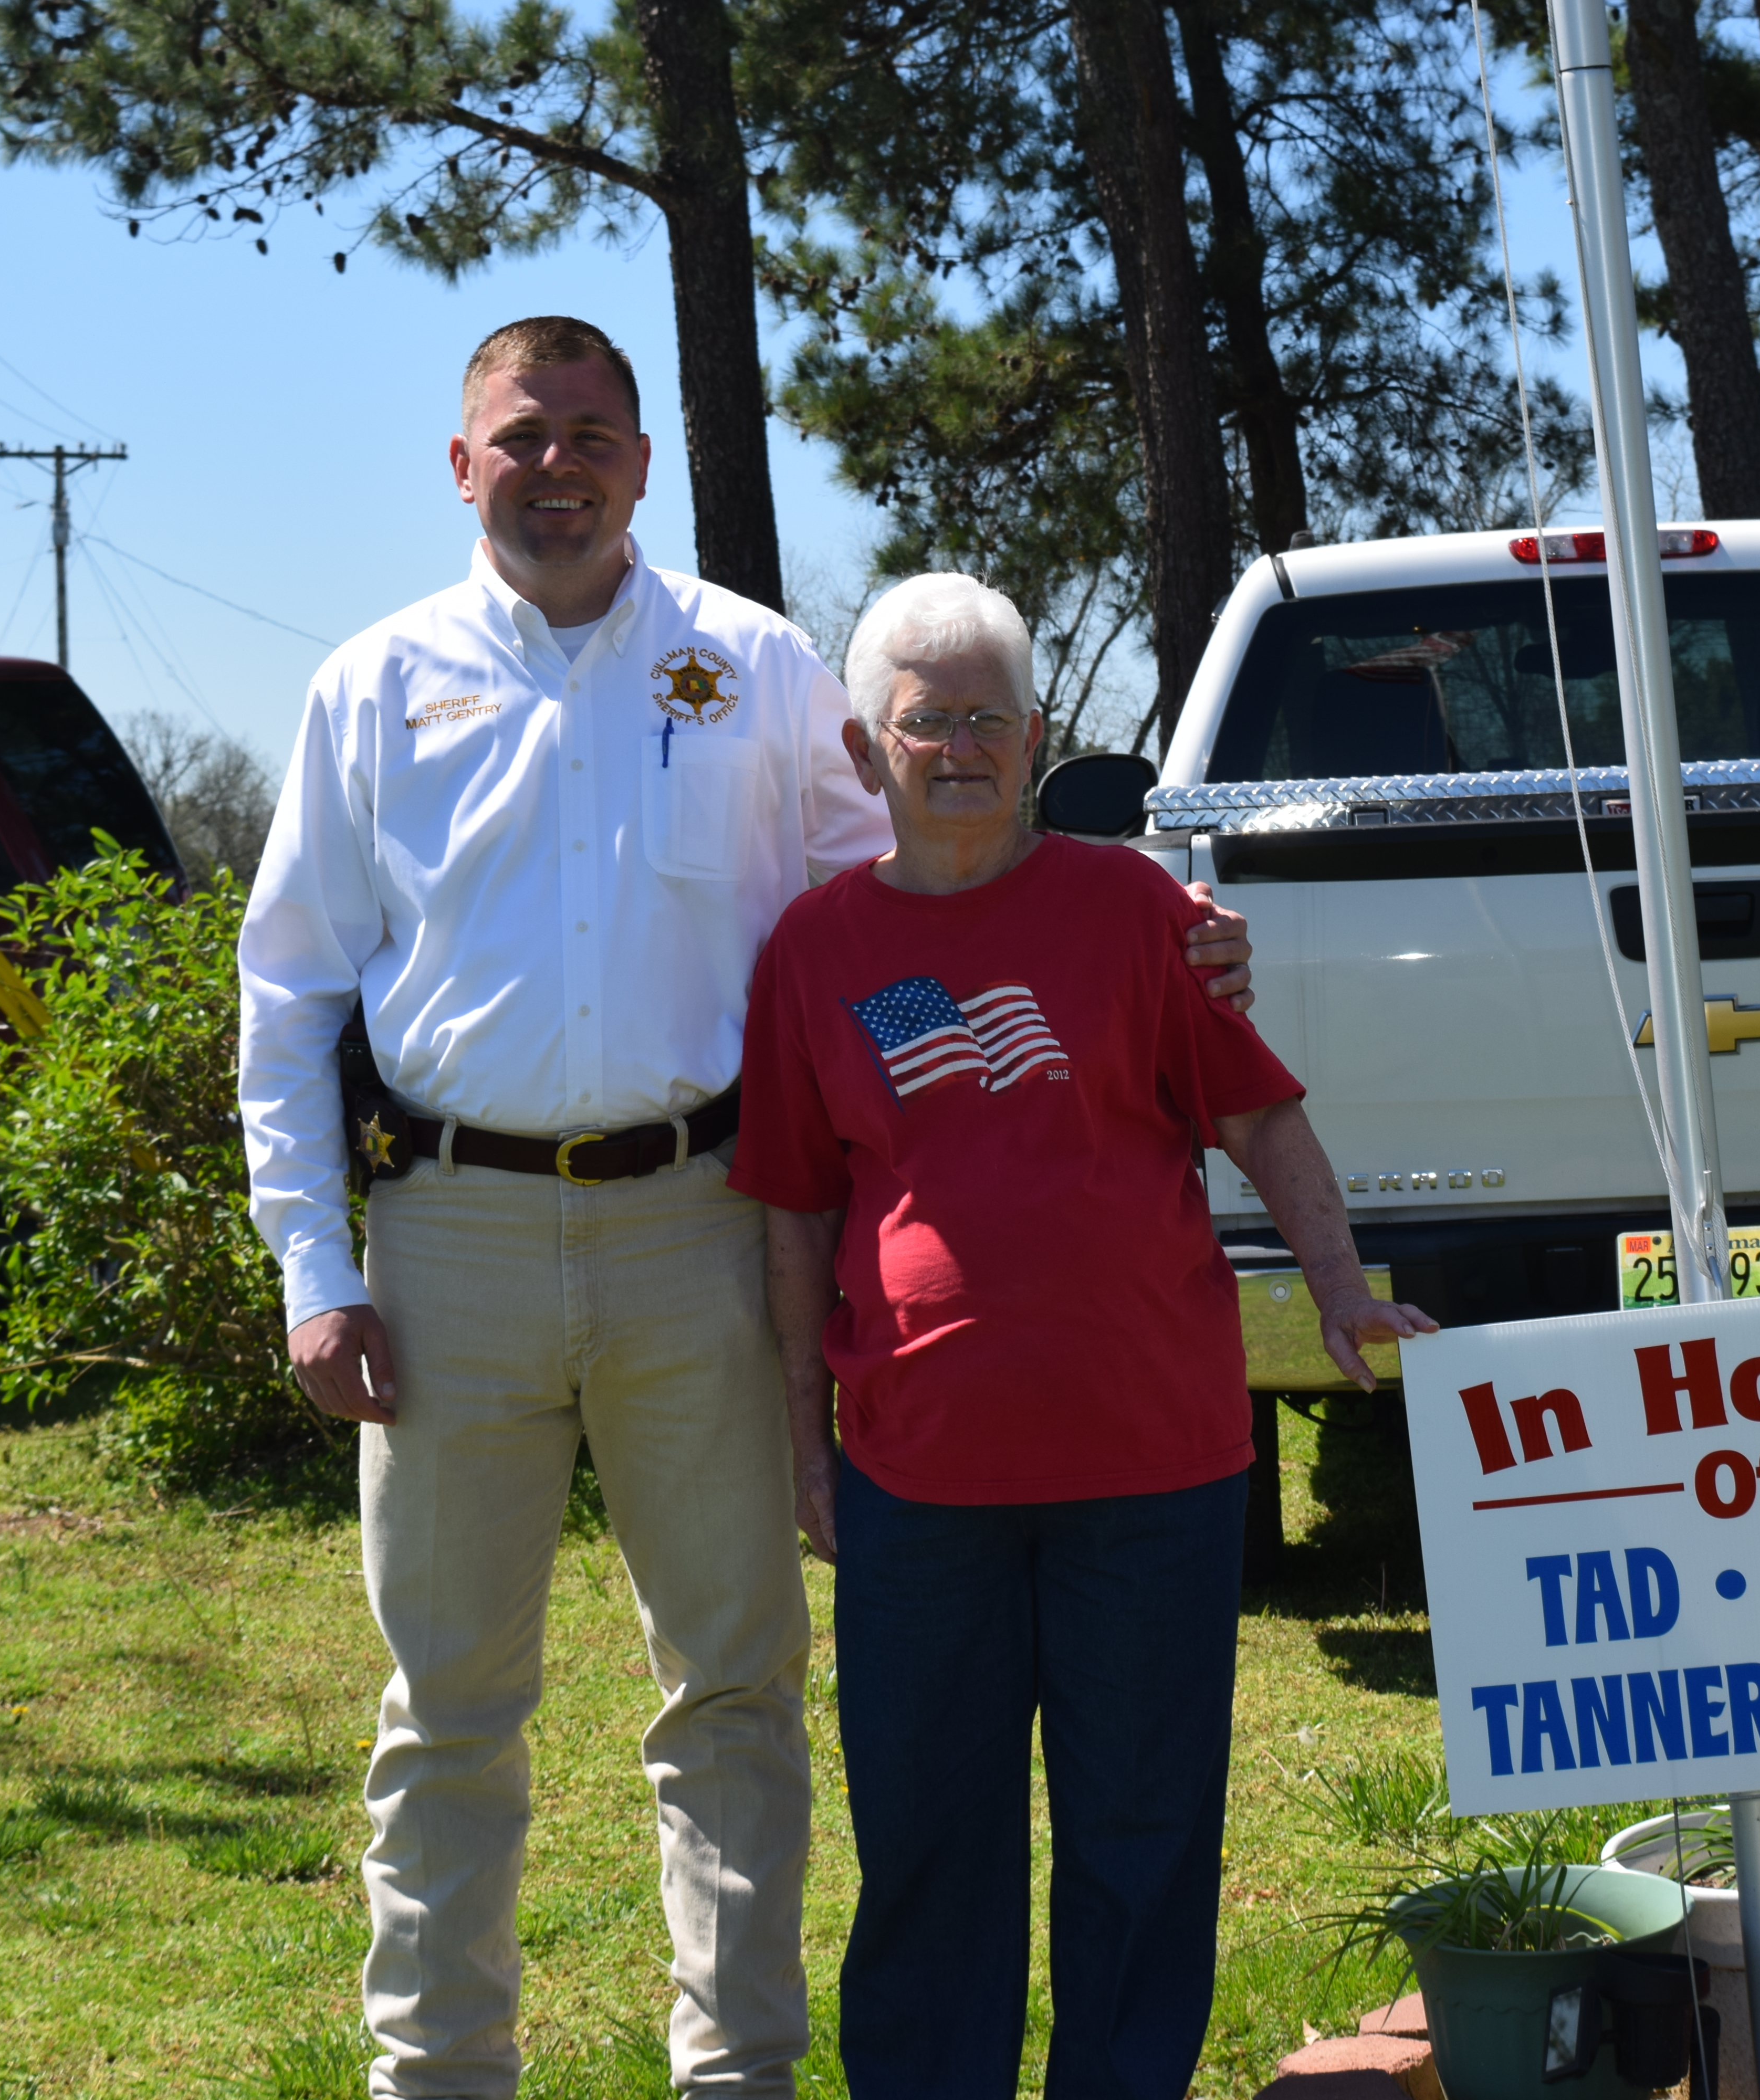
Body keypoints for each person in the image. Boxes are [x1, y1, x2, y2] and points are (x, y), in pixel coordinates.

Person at [236, 319, 1256, 2099]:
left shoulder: (756, 667)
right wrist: (316, 1272)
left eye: (592, 436)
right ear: (462, 465)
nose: (558, 466)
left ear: (643, 464)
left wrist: (1151, 929)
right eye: (521, 435)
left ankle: (742, 2076)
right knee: (449, 1712)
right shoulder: (373, 686)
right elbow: (291, 996)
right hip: (448, 1244)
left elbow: (931, 877)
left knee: (732, 1696)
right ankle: (441, 2076)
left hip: (702, 1220)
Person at [729, 573, 1434, 2099]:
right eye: (930, 722)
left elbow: (1260, 1113)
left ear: (1039, 737)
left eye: (992, 717)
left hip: (1157, 1471)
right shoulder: (810, 952)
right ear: (868, 753)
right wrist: (805, 1445)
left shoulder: (1135, 911)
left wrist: (1340, 1286)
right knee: (927, 1843)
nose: (963, 746)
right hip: (918, 1484)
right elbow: (792, 1212)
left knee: (1143, 1835)